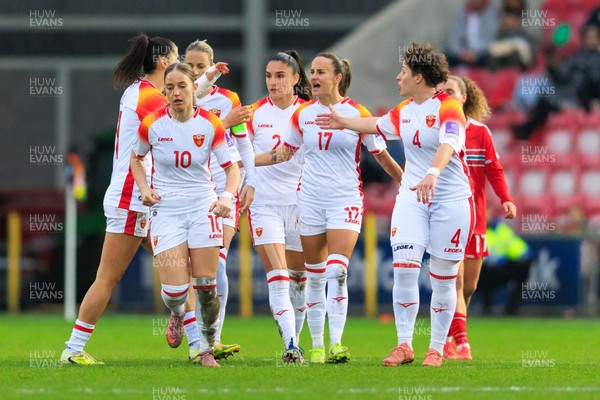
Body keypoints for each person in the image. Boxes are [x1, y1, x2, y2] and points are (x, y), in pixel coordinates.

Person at [60, 35, 224, 366]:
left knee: (182, 269)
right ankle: (73, 348)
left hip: (150, 199)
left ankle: (196, 343)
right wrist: (211, 87)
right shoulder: (149, 98)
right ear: (163, 64)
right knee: (108, 276)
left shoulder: (140, 91)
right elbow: (187, 108)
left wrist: (207, 80)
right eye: (177, 61)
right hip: (133, 198)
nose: (181, 74)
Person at [316, 43, 474, 367]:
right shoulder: (404, 110)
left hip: (451, 200)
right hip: (413, 197)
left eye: (402, 71)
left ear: (418, 76)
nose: (397, 76)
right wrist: (343, 122)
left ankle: (436, 348)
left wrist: (432, 172)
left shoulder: (449, 107)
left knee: (443, 278)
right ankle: (404, 345)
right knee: (404, 270)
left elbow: (449, 142)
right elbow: (375, 125)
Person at [256, 52, 403, 364]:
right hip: (308, 200)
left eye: (321, 71)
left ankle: (336, 342)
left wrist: (406, 181)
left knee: (337, 271)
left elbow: (379, 154)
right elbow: (283, 153)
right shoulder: (303, 115)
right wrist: (241, 163)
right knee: (316, 276)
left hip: (345, 199)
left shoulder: (356, 114)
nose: (315, 77)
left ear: (338, 77)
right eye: (312, 71)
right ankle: (318, 345)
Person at [131, 62, 240, 367]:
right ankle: (177, 314)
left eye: (182, 86)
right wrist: (144, 188)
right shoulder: (152, 124)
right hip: (166, 211)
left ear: (195, 88)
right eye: (170, 87)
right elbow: (136, 159)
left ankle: (205, 348)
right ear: (164, 91)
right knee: (175, 293)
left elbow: (232, 169)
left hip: (202, 207)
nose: (176, 92)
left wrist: (226, 197)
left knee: (206, 286)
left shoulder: (211, 124)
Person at [177, 39, 256, 360]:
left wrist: (251, 182)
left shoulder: (228, 101)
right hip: (191, 190)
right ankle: (181, 313)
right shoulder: (180, 100)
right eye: (191, 66)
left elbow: (244, 144)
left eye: (201, 66)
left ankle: (214, 337)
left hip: (224, 188)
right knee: (192, 268)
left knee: (217, 263)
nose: (196, 72)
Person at [437, 75, 517, 361]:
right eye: (441, 91)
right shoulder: (435, 131)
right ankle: (460, 344)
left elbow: (494, 168)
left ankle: (447, 336)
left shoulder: (480, 132)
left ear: (463, 97)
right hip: (448, 215)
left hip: (477, 218)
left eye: (450, 91)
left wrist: (505, 198)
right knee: (454, 283)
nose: (445, 95)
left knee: (468, 287)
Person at [246, 50, 311, 363]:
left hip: (302, 204)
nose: (273, 82)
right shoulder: (255, 113)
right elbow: (233, 151)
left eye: (280, 76)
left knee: (300, 279)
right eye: (269, 76)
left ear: (296, 79)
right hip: (265, 204)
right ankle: (291, 344)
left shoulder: (310, 112)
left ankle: (296, 339)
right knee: (279, 277)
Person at [477, 212, 532, 315]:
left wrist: (523, 255)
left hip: (501, 268)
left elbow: (518, 248)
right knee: (477, 273)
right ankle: (486, 307)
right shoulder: (475, 230)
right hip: (483, 270)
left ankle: (513, 309)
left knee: (522, 268)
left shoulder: (501, 229)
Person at [446, 0, 499, 67]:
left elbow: (491, 40)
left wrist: (475, 54)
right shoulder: (461, 14)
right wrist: (461, 53)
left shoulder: (490, 14)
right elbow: (453, 40)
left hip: (481, 54)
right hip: (462, 54)